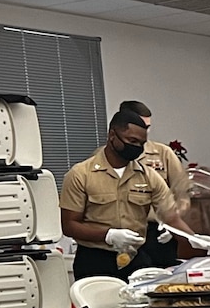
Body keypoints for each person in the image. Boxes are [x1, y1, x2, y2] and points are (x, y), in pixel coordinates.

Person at [60, 110, 178, 279]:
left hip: (136, 257)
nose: (137, 148)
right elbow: (69, 225)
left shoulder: (147, 175)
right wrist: (108, 235)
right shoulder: (81, 174)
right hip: (95, 259)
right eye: (132, 141)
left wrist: (185, 233)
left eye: (141, 143)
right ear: (112, 135)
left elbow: (172, 212)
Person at [118, 99, 193, 267]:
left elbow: (183, 194)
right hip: (124, 234)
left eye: (148, 127)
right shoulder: (107, 157)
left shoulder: (162, 153)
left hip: (158, 231)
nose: (145, 132)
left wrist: (173, 222)